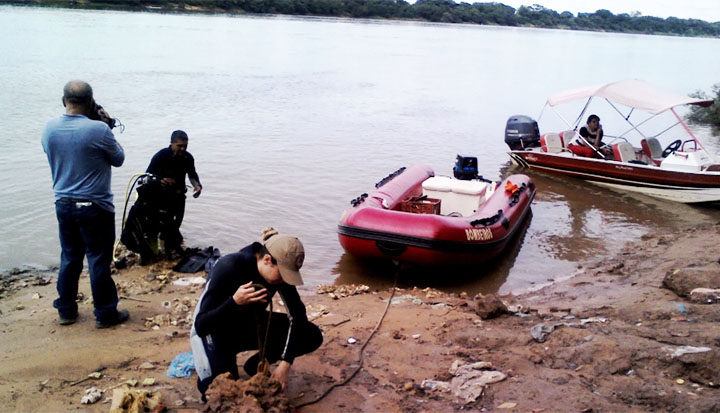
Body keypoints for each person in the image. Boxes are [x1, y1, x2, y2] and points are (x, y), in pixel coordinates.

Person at [190, 228, 323, 400]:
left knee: (310, 335)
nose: (285, 280)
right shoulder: (229, 266)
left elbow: (298, 316)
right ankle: (219, 364)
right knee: (219, 395)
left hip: (249, 324)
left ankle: (255, 365)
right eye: (283, 275)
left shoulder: (279, 272)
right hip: (217, 331)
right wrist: (234, 302)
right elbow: (201, 326)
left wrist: (286, 363)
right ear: (267, 260)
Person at [41, 80, 130, 328]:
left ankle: (66, 311)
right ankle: (105, 314)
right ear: (91, 102)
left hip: (63, 203)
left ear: (63, 101)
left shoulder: (49, 128)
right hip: (95, 206)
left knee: (70, 257)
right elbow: (119, 159)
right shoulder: (99, 130)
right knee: (98, 260)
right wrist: (106, 125)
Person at [145, 130, 202, 255]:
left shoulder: (188, 157)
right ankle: (160, 248)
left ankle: (169, 244)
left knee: (176, 223)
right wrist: (160, 180)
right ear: (171, 143)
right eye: (179, 146)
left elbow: (192, 175)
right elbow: (147, 176)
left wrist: (197, 186)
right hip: (161, 196)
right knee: (161, 224)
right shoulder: (161, 156)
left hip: (178, 195)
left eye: (185, 146)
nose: (182, 149)